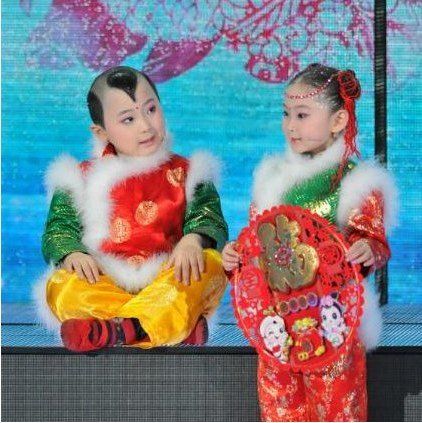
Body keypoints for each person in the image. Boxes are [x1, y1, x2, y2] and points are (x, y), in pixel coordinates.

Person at [222, 63, 397, 421]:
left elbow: (374, 242)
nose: (290, 125)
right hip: (278, 320)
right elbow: (257, 243)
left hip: (333, 321)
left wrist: (367, 248)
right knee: (280, 406)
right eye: (286, 114)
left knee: (337, 405)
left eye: (302, 115)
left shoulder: (356, 182)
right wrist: (235, 257)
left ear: (338, 121)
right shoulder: (272, 179)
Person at [34, 66, 228, 353]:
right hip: (105, 280)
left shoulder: (190, 173)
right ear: (101, 132)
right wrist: (73, 253)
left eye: (151, 109)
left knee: (210, 264)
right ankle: (166, 325)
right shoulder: (79, 178)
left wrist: (193, 239)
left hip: (168, 278)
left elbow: (210, 217)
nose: (146, 126)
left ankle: (118, 330)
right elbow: (58, 230)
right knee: (62, 285)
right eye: (128, 119)